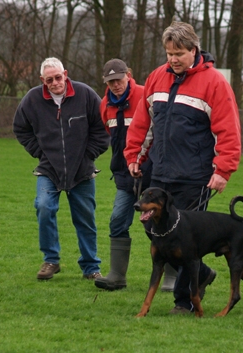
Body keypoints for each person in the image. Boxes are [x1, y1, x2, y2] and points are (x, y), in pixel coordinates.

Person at [124, 21, 242, 314]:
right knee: (158, 235)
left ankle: (183, 301)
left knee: (184, 241)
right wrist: (134, 157)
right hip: (160, 174)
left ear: (194, 50)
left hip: (195, 177)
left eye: (179, 53)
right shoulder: (155, 79)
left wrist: (222, 170)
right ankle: (202, 274)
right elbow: (143, 123)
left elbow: (228, 130)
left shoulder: (215, 83)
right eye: (169, 54)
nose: (173, 59)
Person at [13, 57, 109, 280]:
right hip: (49, 169)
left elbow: (103, 124)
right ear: (42, 80)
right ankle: (51, 260)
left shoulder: (85, 95)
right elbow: (20, 127)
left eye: (58, 77)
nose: (55, 82)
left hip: (82, 170)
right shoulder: (32, 99)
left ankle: (91, 267)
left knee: (85, 218)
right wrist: (39, 151)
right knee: (44, 207)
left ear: (65, 74)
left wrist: (89, 154)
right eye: (49, 79)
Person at [94, 59, 151, 291]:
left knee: (158, 226)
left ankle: (174, 276)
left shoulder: (144, 95)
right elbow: (112, 135)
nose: (115, 85)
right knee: (118, 220)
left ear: (128, 74)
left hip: (150, 174)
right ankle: (117, 276)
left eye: (118, 79)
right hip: (124, 175)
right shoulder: (105, 104)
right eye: (110, 82)